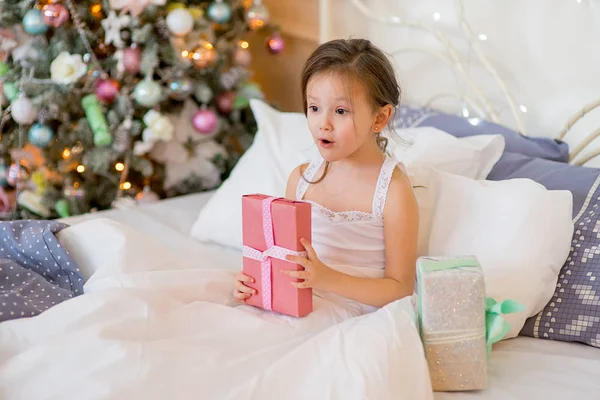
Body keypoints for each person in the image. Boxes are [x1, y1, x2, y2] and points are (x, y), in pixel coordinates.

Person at [233, 38, 419, 309]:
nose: (323, 124)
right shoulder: (301, 180)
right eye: (314, 108)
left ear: (380, 118)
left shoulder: (393, 190)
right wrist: (257, 283)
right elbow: (288, 265)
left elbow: (400, 289)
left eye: (341, 111)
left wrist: (326, 278)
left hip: (357, 316)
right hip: (299, 307)